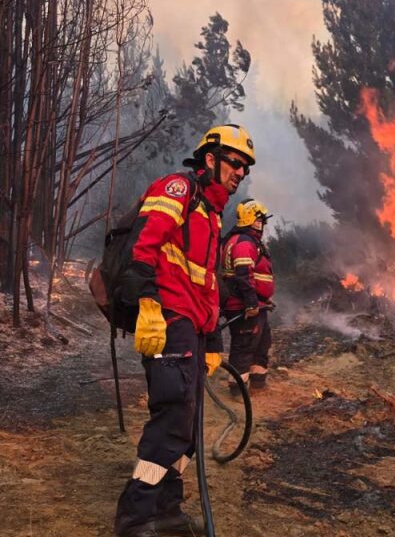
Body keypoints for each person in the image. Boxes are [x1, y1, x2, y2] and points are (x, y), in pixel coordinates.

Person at [113, 124, 256, 537]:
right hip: (168, 320)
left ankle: (168, 508)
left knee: (188, 421)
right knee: (173, 415)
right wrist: (148, 303)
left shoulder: (210, 214)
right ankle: (136, 515)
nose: (240, 173)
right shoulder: (179, 190)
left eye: (245, 168)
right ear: (209, 159)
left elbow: (207, 282)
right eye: (235, 163)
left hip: (192, 328)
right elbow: (145, 246)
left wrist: (213, 338)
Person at [220, 199, 275, 392]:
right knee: (243, 347)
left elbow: (255, 277)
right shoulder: (244, 243)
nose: (262, 225)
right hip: (243, 306)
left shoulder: (245, 240)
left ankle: (258, 385)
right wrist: (251, 303)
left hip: (255, 305)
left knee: (261, 344)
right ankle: (238, 392)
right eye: (259, 220)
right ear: (250, 219)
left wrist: (263, 299)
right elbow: (243, 276)